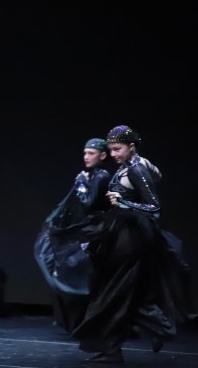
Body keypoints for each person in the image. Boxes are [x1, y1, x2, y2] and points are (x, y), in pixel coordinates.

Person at [71, 125, 176, 363]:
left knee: (115, 293)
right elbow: (156, 175)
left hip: (133, 238)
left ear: (132, 146)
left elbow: (155, 208)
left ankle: (122, 343)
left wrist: (125, 203)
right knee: (117, 292)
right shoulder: (128, 166)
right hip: (122, 233)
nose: (113, 154)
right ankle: (118, 345)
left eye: (117, 149)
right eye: (111, 149)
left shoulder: (137, 169)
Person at [34, 137, 113, 334]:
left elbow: (89, 205)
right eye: (85, 153)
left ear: (103, 155)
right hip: (90, 231)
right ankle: (74, 321)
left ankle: (92, 322)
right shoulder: (93, 175)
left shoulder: (101, 176)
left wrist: (81, 184)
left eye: (91, 153)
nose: (86, 157)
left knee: (80, 273)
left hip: (96, 234)